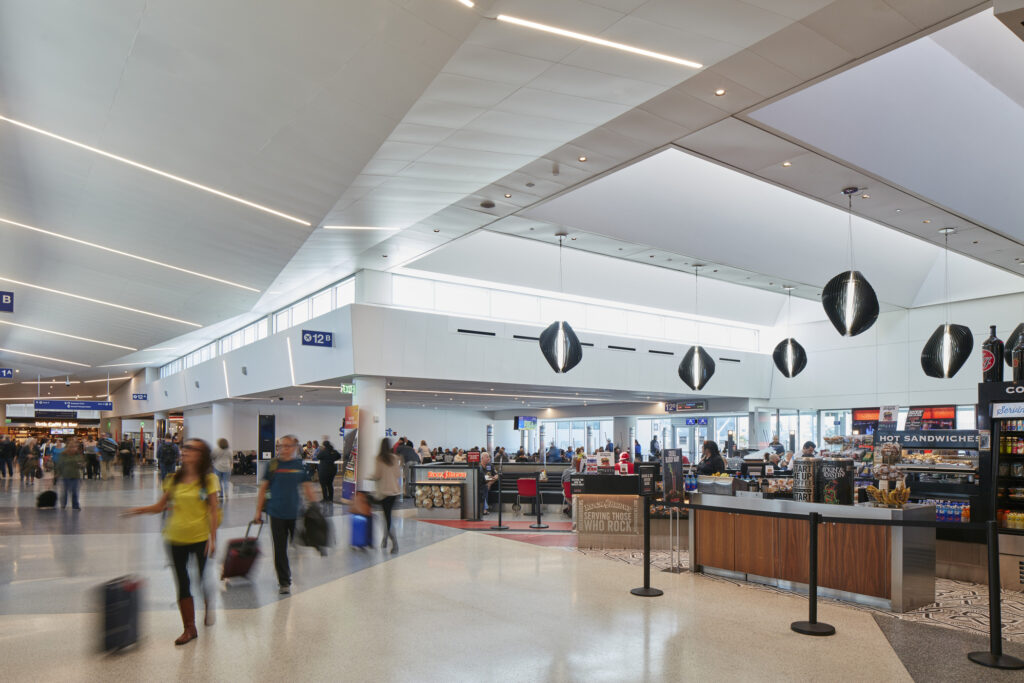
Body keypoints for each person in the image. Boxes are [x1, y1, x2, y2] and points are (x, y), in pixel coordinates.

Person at [127, 438, 219, 645]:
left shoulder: (210, 480)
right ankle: (189, 628)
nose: (185, 451)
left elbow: (213, 510)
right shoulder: (173, 478)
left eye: (191, 449)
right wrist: (138, 511)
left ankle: (207, 601)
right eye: (184, 447)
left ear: (201, 455)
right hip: (175, 538)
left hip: (200, 537)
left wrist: (213, 539)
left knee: (202, 578)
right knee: (182, 581)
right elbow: (161, 507)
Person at [253, 435, 316, 595]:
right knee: (280, 549)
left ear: (295, 448)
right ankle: (284, 581)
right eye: (281, 446)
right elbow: (263, 489)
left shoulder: (299, 465)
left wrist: (315, 507)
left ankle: (292, 567)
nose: (284, 449)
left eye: (288, 446)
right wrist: (258, 511)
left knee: (296, 544)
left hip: (295, 512)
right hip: (276, 513)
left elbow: (307, 486)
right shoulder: (272, 465)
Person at [367, 437, 401, 553]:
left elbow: (377, 475)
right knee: (388, 517)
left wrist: (369, 477)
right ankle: (385, 540)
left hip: (384, 492)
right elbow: (397, 474)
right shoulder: (395, 458)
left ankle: (394, 543)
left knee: (387, 519)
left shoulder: (379, 458)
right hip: (394, 492)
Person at [56, 438, 84, 510]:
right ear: (69, 447)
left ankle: (75, 505)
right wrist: (57, 474)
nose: (74, 449)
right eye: (73, 447)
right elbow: (60, 464)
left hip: (75, 475)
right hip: (66, 475)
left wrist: (81, 465)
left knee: (75, 491)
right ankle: (63, 504)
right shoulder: (63, 454)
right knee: (65, 492)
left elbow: (82, 464)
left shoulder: (78, 454)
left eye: (75, 447)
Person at [317, 437, 341, 502]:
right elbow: (339, 456)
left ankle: (325, 498)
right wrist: (332, 459)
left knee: (323, 485)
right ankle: (330, 498)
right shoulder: (333, 451)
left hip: (324, 470)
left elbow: (318, 457)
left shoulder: (323, 451)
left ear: (324, 445)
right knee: (330, 484)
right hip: (332, 470)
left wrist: (321, 450)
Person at [479, 452, 497, 516]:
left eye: (489, 457)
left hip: (488, 484)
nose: (488, 458)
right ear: (482, 458)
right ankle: (484, 508)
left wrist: (490, 483)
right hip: (480, 484)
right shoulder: (478, 466)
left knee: (485, 487)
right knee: (484, 488)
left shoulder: (490, 465)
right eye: (487, 457)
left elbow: (496, 475)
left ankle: (484, 509)